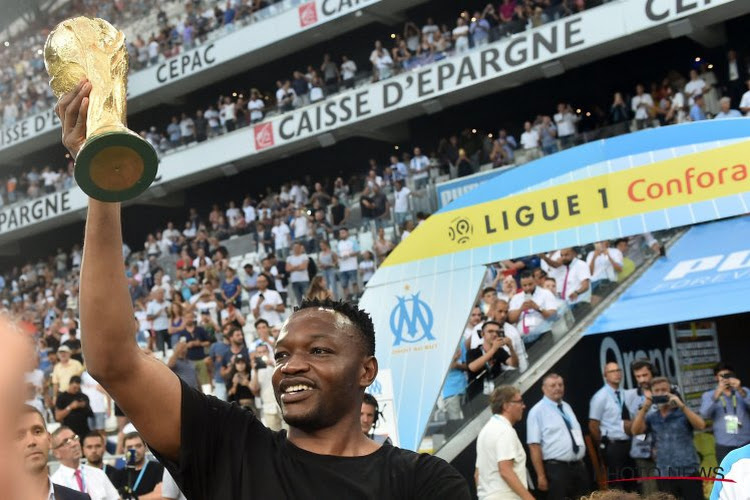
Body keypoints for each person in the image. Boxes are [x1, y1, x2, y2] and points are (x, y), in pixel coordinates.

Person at [59, 80, 470, 499]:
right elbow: (113, 361)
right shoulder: (231, 447)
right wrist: (103, 179)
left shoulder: (423, 482)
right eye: (282, 354)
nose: (290, 366)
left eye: (319, 351)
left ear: (366, 371)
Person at [631, 378, 705, 500]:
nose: (660, 393)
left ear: (671, 392)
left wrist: (681, 405)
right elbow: (635, 431)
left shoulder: (682, 413)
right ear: (652, 393)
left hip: (688, 471)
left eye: (664, 390)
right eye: (657, 391)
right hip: (665, 473)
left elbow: (701, 425)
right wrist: (645, 408)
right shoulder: (652, 417)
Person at [527, 374, 587, 500]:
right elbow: (534, 446)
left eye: (560, 385)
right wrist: (541, 476)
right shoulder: (537, 411)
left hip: (578, 466)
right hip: (557, 469)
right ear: (544, 388)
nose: (557, 388)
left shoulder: (566, 406)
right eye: (553, 385)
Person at [16, 405, 92, 500]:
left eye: (37, 431)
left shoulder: (80, 498)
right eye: (19, 436)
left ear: (49, 439)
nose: (31, 441)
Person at [475, 385, 533, 500]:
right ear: (506, 406)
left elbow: (477, 475)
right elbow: (505, 470)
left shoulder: (485, 431)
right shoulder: (504, 430)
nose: (523, 406)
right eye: (519, 402)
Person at [589, 362, 634, 488]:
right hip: (613, 445)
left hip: (629, 443)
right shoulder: (600, 397)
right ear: (605, 375)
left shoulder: (626, 394)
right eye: (612, 371)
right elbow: (593, 425)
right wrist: (602, 445)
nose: (616, 374)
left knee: (633, 483)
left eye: (618, 370)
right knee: (618, 485)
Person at [700, 363, 750, 464]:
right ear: (716, 378)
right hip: (724, 444)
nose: (726, 379)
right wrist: (717, 395)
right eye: (722, 376)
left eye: (728, 375)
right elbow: (704, 414)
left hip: (746, 441)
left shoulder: (743, 391)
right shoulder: (709, 395)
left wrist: (740, 390)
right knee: (727, 476)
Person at [51, 426, 119, 499]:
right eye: (66, 442)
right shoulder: (54, 483)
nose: (74, 444)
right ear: (56, 453)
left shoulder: (98, 474)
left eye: (74, 438)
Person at [624, 359, 658, 496]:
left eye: (645, 375)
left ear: (652, 373)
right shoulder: (630, 396)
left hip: (667, 450)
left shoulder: (665, 390)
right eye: (638, 376)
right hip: (643, 451)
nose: (642, 379)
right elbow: (626, 425)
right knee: (651, 493)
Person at [466, 321, 517, 399]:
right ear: (482, 334)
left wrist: (511, 348)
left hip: (496, 394)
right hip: (476, 397)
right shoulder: (473, 352)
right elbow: (473, 367)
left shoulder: (499, 351)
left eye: (497, 332)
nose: (494, 334)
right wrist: (493, 349)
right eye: (490, 331)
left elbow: (514, 364)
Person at [507, 270, 557, 342]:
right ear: (521, 285)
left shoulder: (545, 293)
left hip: (544, 334)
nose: (527, 288)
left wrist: (538, 308)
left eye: (530, 284)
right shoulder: (516, 298)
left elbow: (553, 316)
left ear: (535, 281)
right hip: (523, 338)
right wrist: (520, 309)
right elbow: (511, 319)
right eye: (524, 285)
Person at [122, 432, 164, 498]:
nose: (134, 450)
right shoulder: (118, 474)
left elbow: (161, 496)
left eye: (138, 446)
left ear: (145, 447)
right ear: (123, 450)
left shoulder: (158, 468)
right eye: (129, 447)